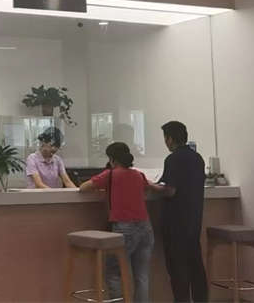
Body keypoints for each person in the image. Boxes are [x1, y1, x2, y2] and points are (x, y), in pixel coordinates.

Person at [80, 142, 167, 302]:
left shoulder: (110, 175)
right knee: (141, 276)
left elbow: (83, 188)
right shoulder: (139, 175)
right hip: (145, 227)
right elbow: (151, 189)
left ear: (112, 159)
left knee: (114, 272)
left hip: (124, 228)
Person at [158, 121, 208, 302]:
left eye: (165, 138)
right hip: (193, 220)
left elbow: (170, 190)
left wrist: (150, 186)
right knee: (195, 265)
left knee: (177, 269)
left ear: (170, 139)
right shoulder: (197, 158)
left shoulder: (172, 159)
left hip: (175, 222)